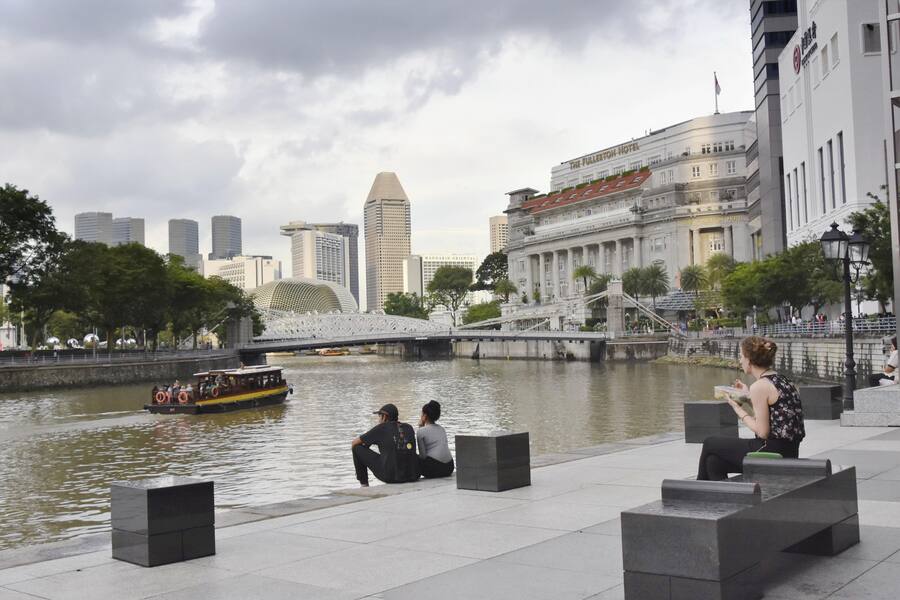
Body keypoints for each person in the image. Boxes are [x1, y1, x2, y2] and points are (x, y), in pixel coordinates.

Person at [697, 336, 805, 481]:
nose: (740, 360)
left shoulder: (759, 386)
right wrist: (747, 397)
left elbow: (763, 432)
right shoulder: (783, 380)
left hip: (771, 452)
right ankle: (721, 500)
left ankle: (697, 489)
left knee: (710, 443)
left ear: (749, 360)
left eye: (741, 356)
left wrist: (738, 409)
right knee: (713, 462)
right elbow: (773, 416)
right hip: (789, 451)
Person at [351, 403, 419, 487]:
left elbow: (354, 442)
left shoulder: (381, 428)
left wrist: (366, 446)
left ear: (385, 417)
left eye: (379, 416)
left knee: (356, 448)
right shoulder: (409, 427)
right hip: (413, 475)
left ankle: (364, 484)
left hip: (391, 477)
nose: (379, 420)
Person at [416, 400, 454, 479]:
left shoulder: (421, 431)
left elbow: (423, 456)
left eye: (422, 413)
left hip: (434, 469)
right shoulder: (442, 429)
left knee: (412, 456)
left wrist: (421, 427)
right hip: (449, 467)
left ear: (425, 416)